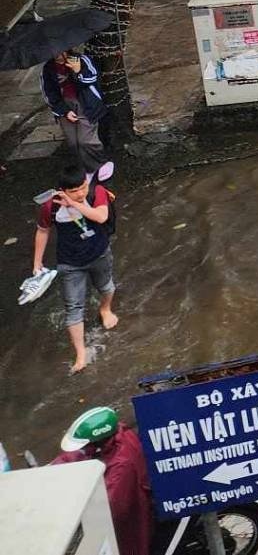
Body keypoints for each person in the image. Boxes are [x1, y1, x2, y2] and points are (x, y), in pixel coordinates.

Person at [32, 161, 119, 372]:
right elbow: (43, 231)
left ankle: (105, 308)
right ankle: (80, 354)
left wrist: (75, 203)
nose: (80, 193)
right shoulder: (49, 206)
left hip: (99, 253)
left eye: (82, 187)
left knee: (107, 287)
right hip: (69, 262)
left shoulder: (96, 192)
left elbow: (101, 216)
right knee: (73, 307)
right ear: (62, 191)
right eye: (74, 191)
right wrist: (37, 262)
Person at [51, 407, 152, 555]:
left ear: (97, 443)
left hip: (130, 527)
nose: (83, 450)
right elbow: (77, 456)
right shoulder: (116, 436)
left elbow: (110, 511)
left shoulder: (121, 466)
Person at [42, 49, 108, 173]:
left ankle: (99, 164)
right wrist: (64, 111)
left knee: (86, 140)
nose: (57, 55)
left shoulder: (82, 60)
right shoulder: (48, 68)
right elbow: (49, 93)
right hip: (64, 104)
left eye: (60, 52)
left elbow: (93, 78)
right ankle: (83, 169)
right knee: (73, 142)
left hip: (85, 103)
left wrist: (78, 71)